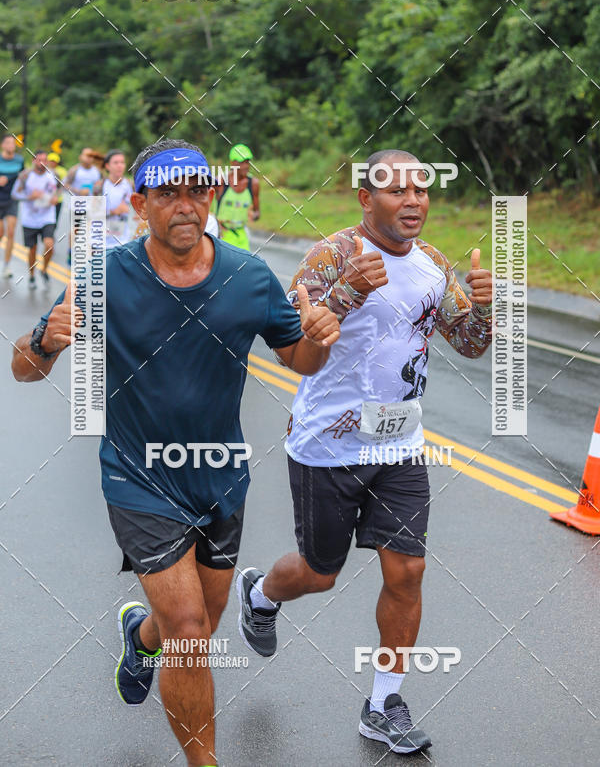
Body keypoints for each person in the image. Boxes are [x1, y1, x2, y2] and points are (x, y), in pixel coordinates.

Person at [11, 139, 341, 767]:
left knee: (196, 625)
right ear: (140, 203)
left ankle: (139, 637)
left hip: (219, 479)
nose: (184, 205)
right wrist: (44, 341)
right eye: (167, 193)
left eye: (196, 190)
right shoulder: (104, 275)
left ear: (212, 196)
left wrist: (322, 337)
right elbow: (23, 369)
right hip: (138, 478)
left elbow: (299, 359)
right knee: (191, 633)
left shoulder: (248, 277)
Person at [237, 149, 494, 756]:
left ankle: (384, 703)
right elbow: (296, 351)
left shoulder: (432, 262)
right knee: (319, 575)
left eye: (421, 191)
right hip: (328, 446)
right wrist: (346, 294)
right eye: (397, 191)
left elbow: (471, 345)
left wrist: (487, 307)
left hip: (401, 444)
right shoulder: (331, 257)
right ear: (365, 199)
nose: (413, 202)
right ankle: (261, 594)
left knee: (407, 570)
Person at [11, 150, 58, 288]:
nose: (42, 163)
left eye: (45, 160)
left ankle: (44, 270)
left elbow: (57, 191)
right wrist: (29, 197)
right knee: (32, 250)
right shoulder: (25, 176)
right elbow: (14, 194)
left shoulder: (52, 175)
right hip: (30, 218)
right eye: (39, 160)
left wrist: (55, 199)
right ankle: (32, 276)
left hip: (47, 216)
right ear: (33, 161)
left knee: (49, 245)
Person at [214, 143, 259, 250]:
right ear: (232, 163)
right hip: (222, 235)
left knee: (245, 265)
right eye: (241, 162)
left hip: (241, 234)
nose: (246, 166)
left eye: (247, 162)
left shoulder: (253, 183)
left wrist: (253, 215)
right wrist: (214, 221)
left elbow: (257, 213)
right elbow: (201, 204)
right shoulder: (220, 181)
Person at [64, 147, 102, 264]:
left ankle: (89, 257)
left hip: (92, 206)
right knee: (76, 230)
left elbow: (101, 186)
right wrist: (78, 191)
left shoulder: (97, 171)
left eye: (91, 156)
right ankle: (71, 252)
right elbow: (65, 185)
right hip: (78, 205)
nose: (89, 158)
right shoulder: (75, 170)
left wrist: (97, 189)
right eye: (86, 155)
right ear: (81, 157)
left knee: (90, 230)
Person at [93, 149, 133, 249]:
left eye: (122, 162)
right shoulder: (100, 186)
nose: (120, 165)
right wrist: (114, 211)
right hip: (101, 239)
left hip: (122, 239)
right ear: (107, 166)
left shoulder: (129, 185)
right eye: (116, 163)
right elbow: (93, 213)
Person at [0, 133, 25, 278]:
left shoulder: (19, 160)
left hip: (12, 200)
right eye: (8, 143)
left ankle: (6, 266)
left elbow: (22, 177)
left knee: (10, 232)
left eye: (13, 143)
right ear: (3, 145)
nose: (11, 146)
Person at [47, 152, 68, 228]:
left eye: (54, 161)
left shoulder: (62, 171)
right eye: (51, 161)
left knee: (54, 221)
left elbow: (64, 185)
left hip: (57, 200)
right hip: (45, 199)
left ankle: (50, 236)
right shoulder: (44, 169)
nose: (52, 163)